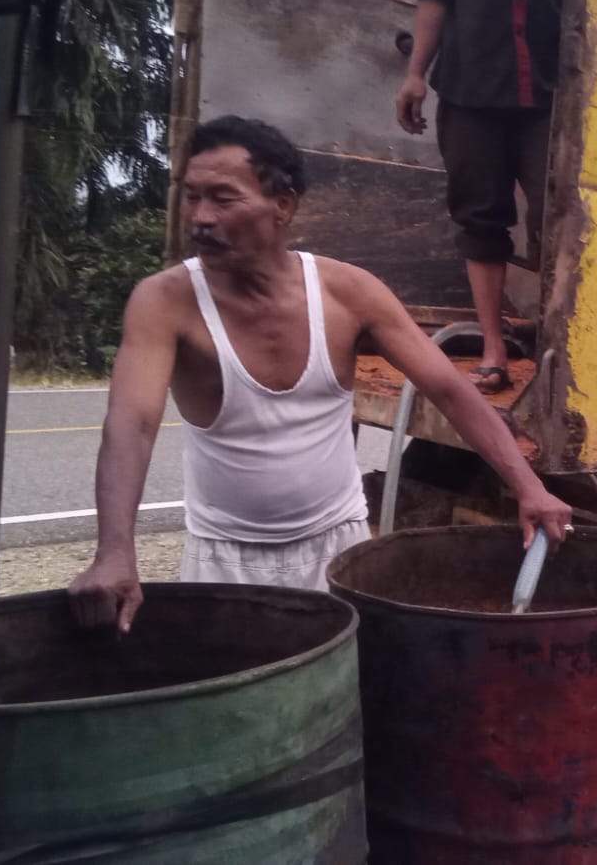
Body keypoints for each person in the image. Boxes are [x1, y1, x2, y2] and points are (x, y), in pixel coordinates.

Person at [68, 116, 571, 632]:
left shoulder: (346, 292)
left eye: (222, 199)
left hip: (339, 549)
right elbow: (132, 425)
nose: (200, 218)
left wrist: (530, 488)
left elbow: (447, 388)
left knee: (347, 700)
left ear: (282, 205)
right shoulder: (164, 301)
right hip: (223, 561)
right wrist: (114, 551)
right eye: (191, 198)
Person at [396, 0, 563, 393]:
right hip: (469, 88)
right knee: (480, 217)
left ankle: (562, 348)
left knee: (562, 222)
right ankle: (495, 350)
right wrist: (416, 73)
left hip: (553, 92)